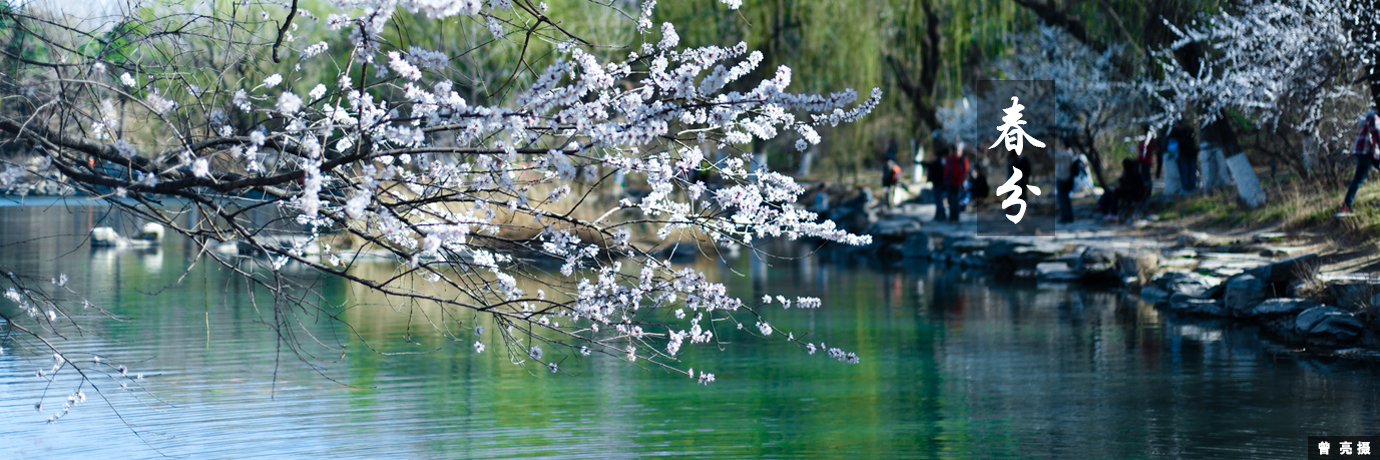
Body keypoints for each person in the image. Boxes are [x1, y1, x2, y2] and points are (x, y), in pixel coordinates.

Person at [1342, 109, 1380, 214]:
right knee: (1359, 178)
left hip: (1371, 153)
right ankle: (1347, 206)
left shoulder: (1373, 116)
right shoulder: (1373, 117)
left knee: (1358, 178)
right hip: (1365, 152)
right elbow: (1377, 134)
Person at [1169, 120, 1198, 193]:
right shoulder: (1190, 130)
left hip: (1185, 154)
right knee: (1191, 172)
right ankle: (1191, 188)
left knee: (1186, 172)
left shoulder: (1177, 132)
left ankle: (1186, 188)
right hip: (1190, 153)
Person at [943, 146, 969, 222]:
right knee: (952, 201)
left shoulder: (959, 161)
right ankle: (953, 217)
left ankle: (954, 217)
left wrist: (960, 181)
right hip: (953, 183)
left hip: (955, 183)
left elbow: (961, 172)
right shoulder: (952, 161)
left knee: (954, 201)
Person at [1053, 140, 1076, 223]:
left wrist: (1051, 147)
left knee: (1062, 199)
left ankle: (1065, 216)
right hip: (1068, 178)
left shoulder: (1064, 154)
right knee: (1066, 199)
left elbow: (1054, 156)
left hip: (1062, 178)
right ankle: (1069, 216)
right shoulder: (1070, 153)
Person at [927, 147, 949, 221]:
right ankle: (939, 215)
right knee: (938, 200)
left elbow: (928, 164)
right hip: (938, 184)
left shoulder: (938, 163)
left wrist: (916, 162)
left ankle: (941, 215)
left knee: (938, 201)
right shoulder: (941, 162)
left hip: (938, 184)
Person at [1135, 125, 1157, 191]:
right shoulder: (1142, 139)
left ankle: (1148, 191)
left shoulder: (1149, 140)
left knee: (1146, 177)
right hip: (1142, 161)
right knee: (1143, 177)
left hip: (1146, 161)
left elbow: (1153, 148)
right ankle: (1145, 190)